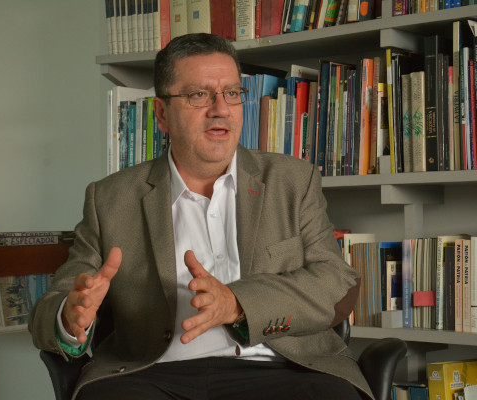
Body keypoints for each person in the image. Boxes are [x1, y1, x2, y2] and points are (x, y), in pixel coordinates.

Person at [29, 33, 371, 400]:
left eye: (232, 93)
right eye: (198, 95)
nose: (220, 109)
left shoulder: (292, 181)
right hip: (152, 375)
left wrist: (237, 303)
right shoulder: (111, 198)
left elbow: (336, 281)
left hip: (283, 368)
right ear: (162, 114)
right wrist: (70, 317)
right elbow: (53, 304)